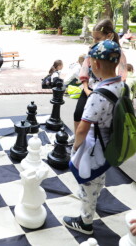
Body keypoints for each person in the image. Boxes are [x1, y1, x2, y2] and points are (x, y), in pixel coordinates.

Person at [63, 40, 123, 235]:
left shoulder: (98, 95)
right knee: (98, 177)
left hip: (93, 147)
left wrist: (74, 148)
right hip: (109, 144)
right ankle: (94, 194)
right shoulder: (120, 85)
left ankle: (85, 222)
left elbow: (82, 129)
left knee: (88, 179)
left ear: (95, 64)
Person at [72, 19, 127, 136]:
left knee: (100, 120)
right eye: (93, 38)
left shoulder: (117, 53)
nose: (94, 41)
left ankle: (93, 140)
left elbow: (122, 76)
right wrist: (86, 89)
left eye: (97, 38)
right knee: (78, 114)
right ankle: (78, 137)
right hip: (90, 88)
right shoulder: (93, 49)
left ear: (109, 35)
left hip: (106, 91)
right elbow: (85, 69)